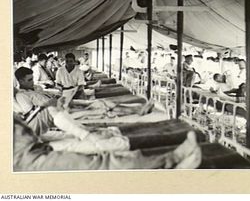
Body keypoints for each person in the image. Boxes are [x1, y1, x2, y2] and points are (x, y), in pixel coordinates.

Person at [13, 112, 202, 171]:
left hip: (35, 147)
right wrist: (85, 135)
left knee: (103, 139)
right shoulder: (22, 100)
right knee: (102, 158)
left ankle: (170, 159)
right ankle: (172, 161)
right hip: (24, 157)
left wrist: (83, 133)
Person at [14, 67, 156, 135]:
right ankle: (137, 110)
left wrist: (59, 97)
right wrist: (52, 103)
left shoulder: (36, 88)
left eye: (32, 79)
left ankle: (137, 109)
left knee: (99, 103)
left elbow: (50, 95)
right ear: (20, 81)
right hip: (57, 114)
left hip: (63, 103)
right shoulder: (22, 96)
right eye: (29, 80)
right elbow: (32, 114)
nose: (32, 82)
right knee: (99, 108)